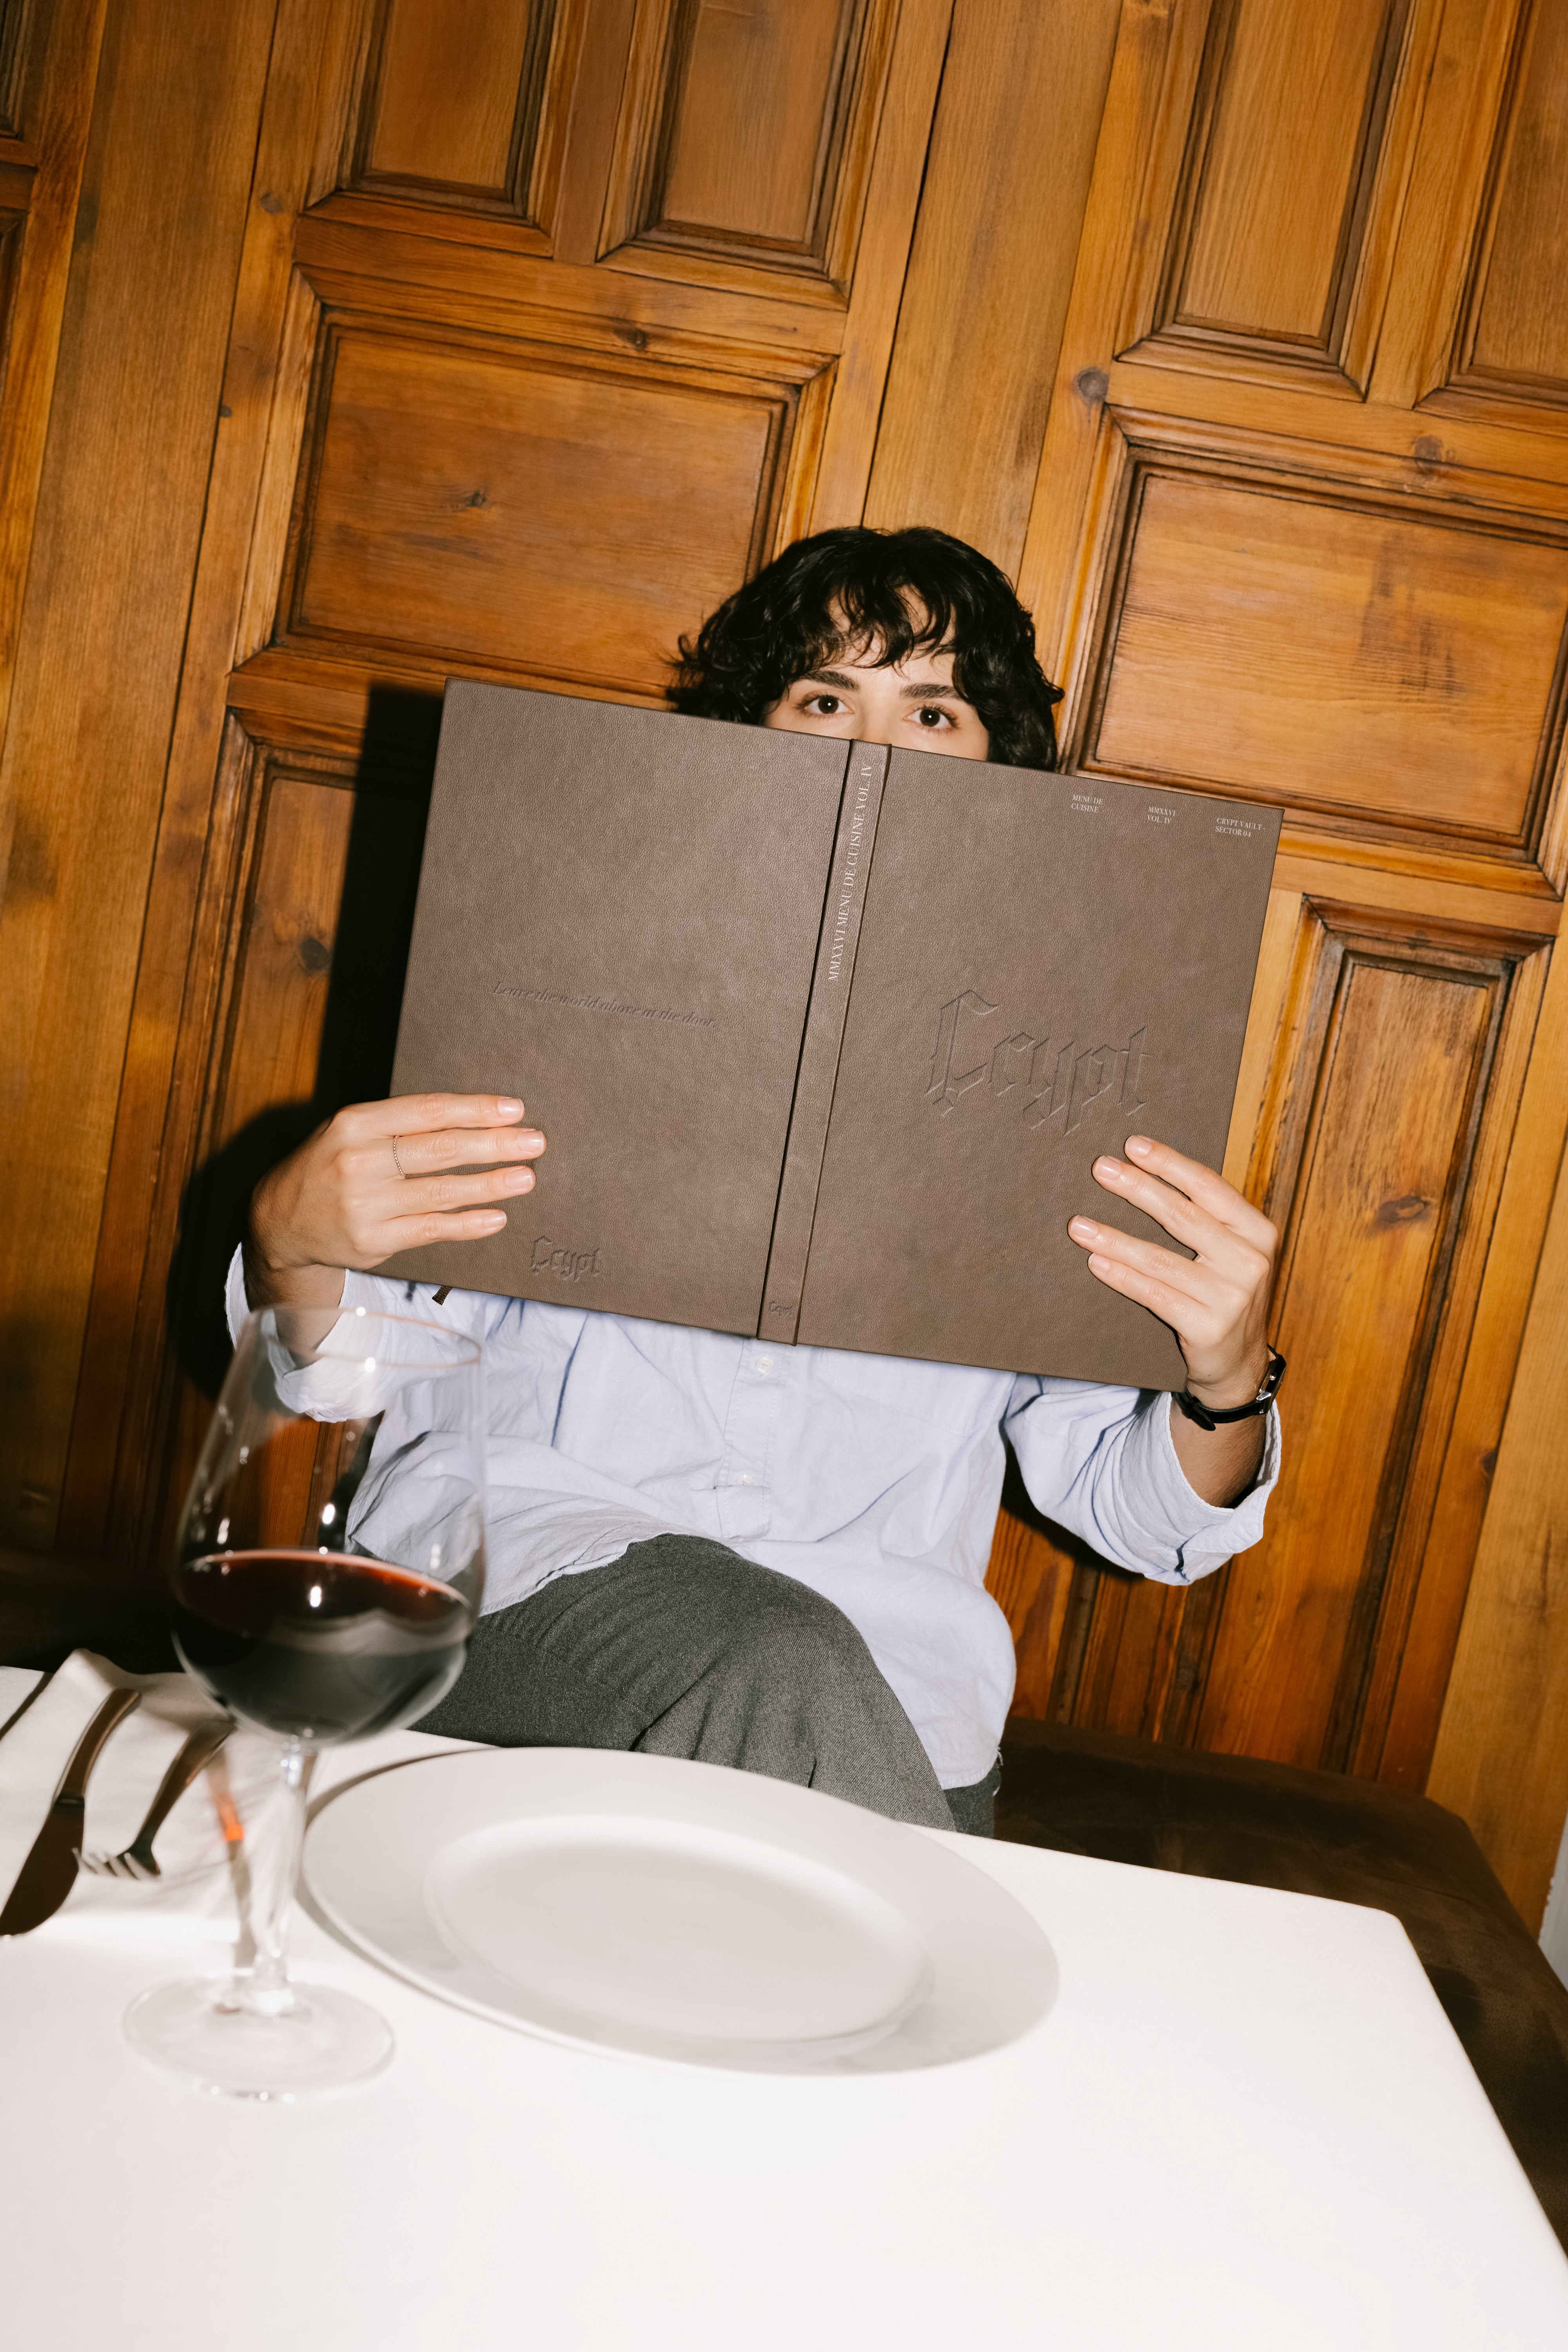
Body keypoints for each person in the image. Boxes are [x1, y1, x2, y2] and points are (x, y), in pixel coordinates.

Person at [234, 526, 1281, 1837]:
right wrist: (293, 1249)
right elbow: (362, 1368)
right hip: (525, 1592)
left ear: (1000, 770)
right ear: (747, 734)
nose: (874, 748)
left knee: (797, 1680)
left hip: (900, 1701)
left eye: (934, 708)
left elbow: (1139, 1519)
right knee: (775, 1663)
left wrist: (1229, 1381)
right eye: (827, 699)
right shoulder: (562, 957)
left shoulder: (1070, 1077)